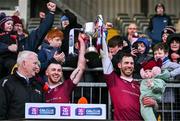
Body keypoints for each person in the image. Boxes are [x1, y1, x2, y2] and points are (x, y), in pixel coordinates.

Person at [100, 35, 158, 120]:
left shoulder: (141, 85)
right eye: (126, 63)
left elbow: (153, 109)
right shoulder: (113, 80)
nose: (129, 65)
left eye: (131, 63)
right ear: (119, 65)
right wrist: (102, 34)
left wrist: (154, 104)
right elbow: (104, 56)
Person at [0, 51, 45, 119]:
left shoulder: (38, 85)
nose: (37, 67)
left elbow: (43, 112)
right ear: (24, 63)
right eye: (35, 63)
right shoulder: (6, 83)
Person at [45, 33, 86, 103]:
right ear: (47, 72)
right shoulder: (40, 87)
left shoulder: (66, 86)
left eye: (59, 70)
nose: (56, 73)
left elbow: (81, 67)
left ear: (61, 73)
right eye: (53, 70)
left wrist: (81, 42)